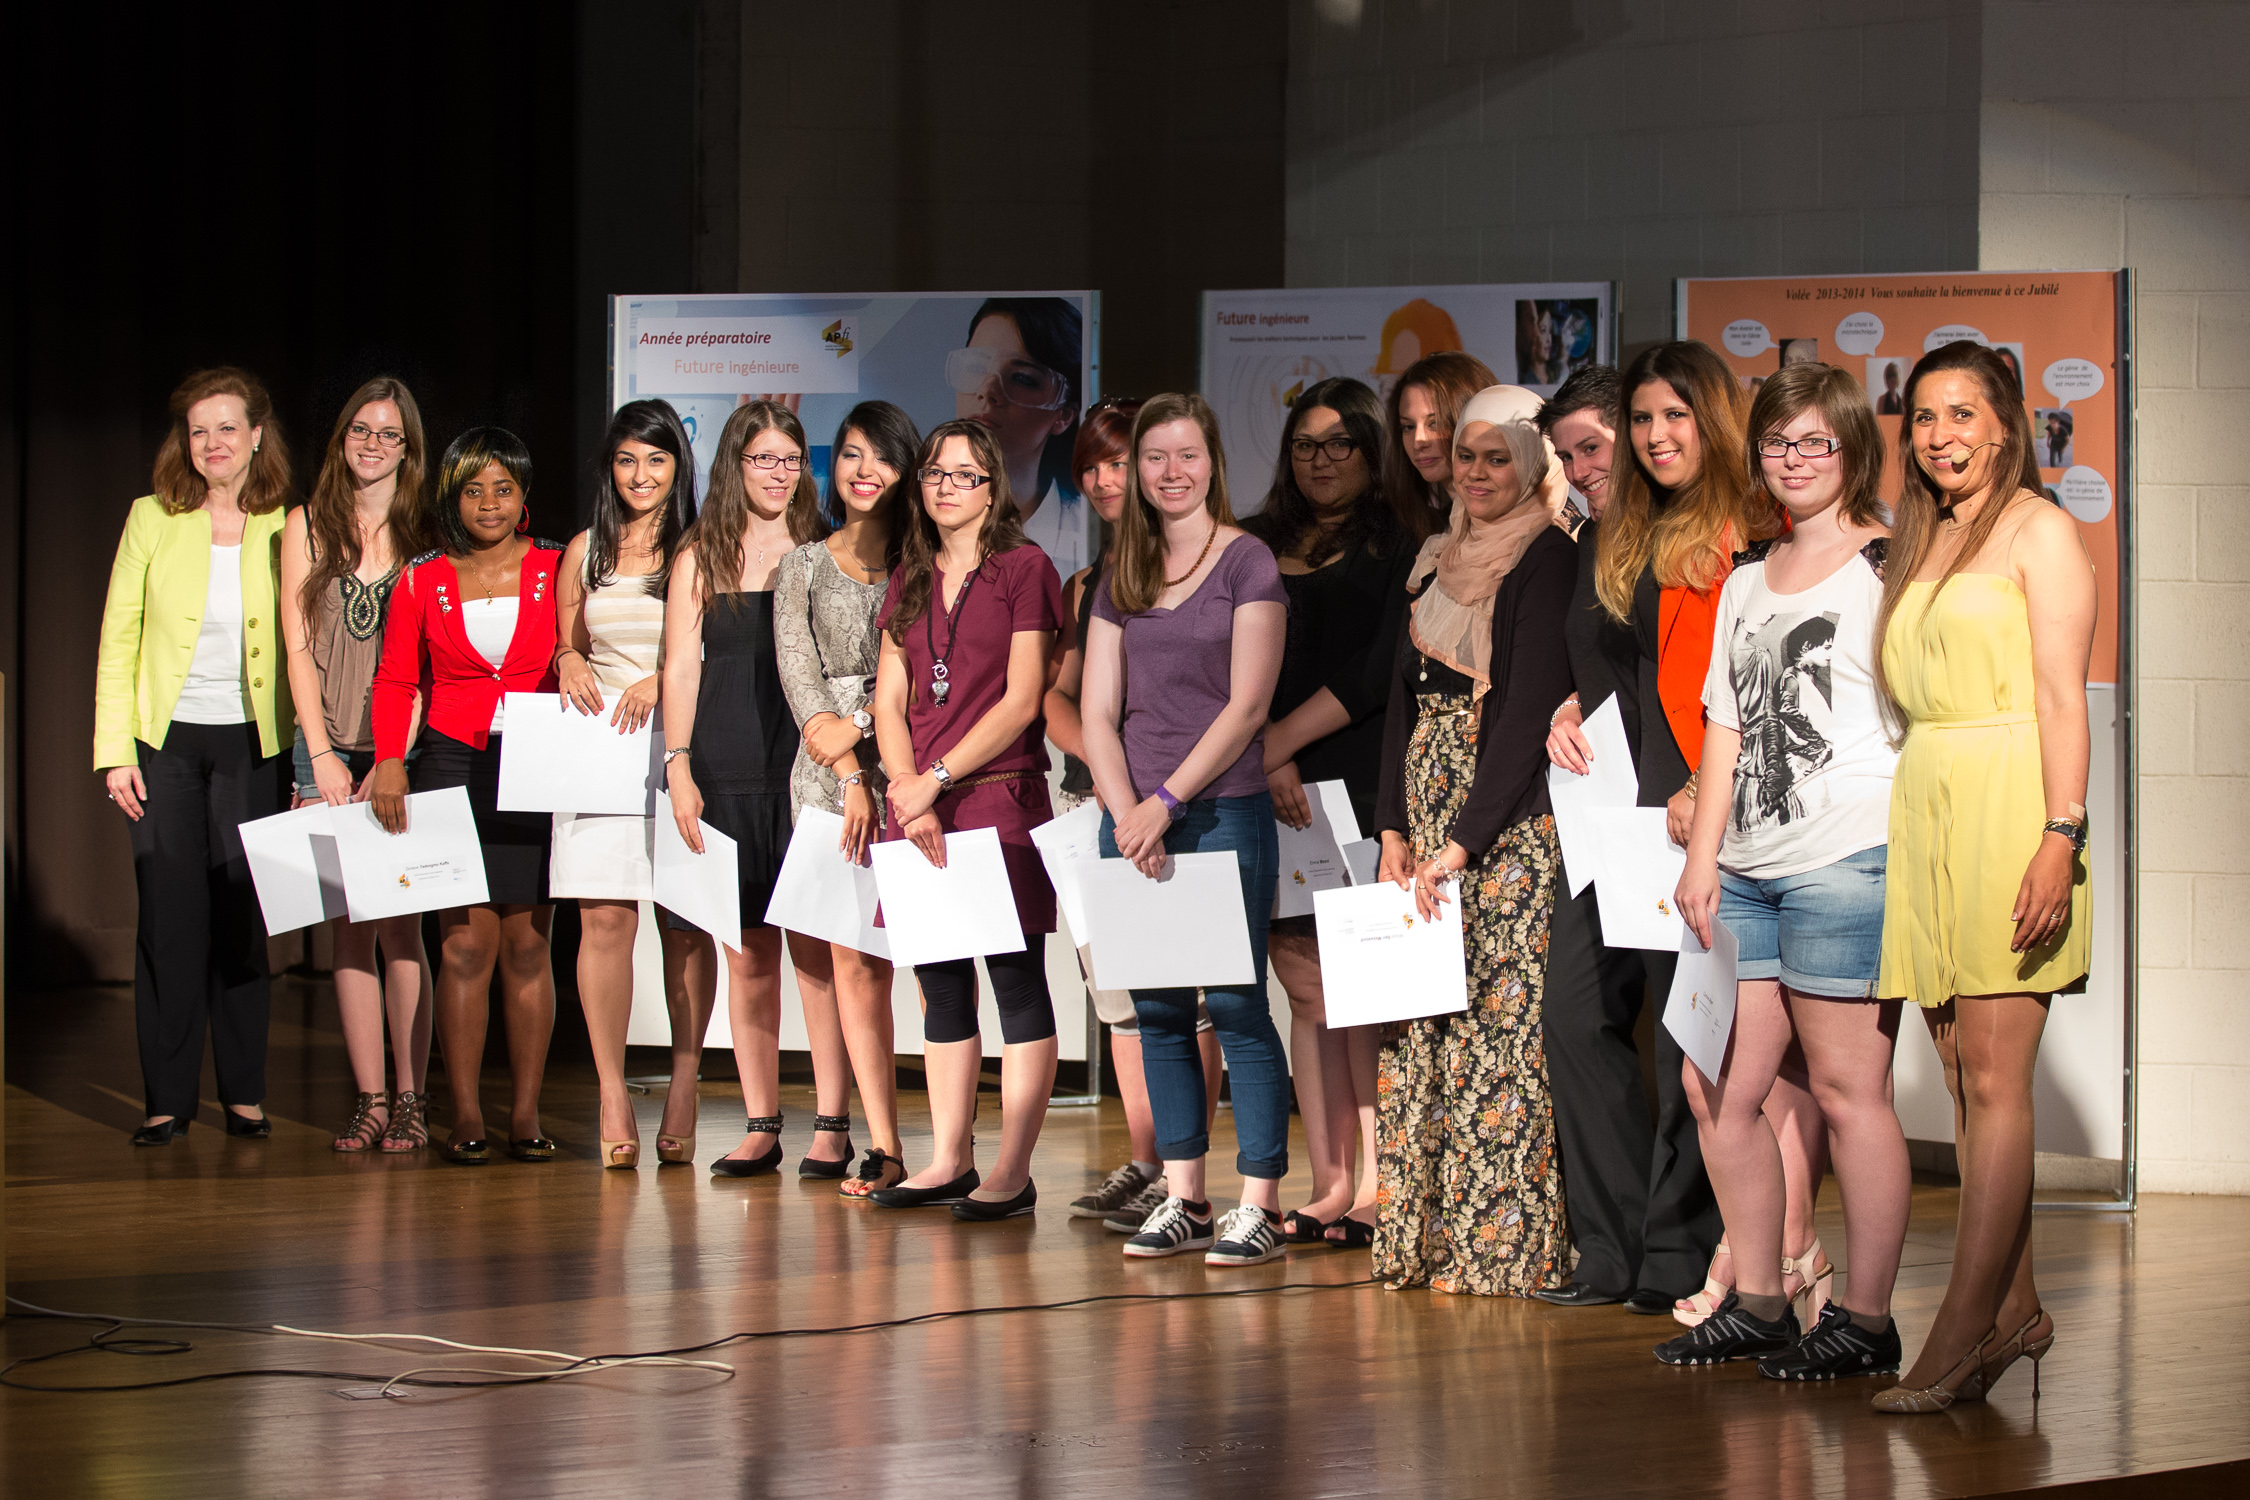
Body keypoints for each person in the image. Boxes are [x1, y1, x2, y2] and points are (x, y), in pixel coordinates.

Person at [1653, 362, 1911, 1379]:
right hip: (1747, 871)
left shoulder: (1889, 565)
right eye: (1777, 442)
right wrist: (1705, 857)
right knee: (1715, 1080)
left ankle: (1868, 1317)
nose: (1793, 460)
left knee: (1851, 1094)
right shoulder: (1750, 576)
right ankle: (1759, 1295)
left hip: (1845, 862)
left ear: (1849, 449)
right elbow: (1724, 721)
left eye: (1813, 442)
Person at [1868, 341, 2092, 1413]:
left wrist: (2061, 833)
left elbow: (2060, 696)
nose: (1941, 435)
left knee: (1998, 1082)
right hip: (1933, 802)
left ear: (2005, 421)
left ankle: (1956, 1338)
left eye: (1962, 414)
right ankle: (2017, 1312)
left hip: (2012, 801)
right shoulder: (1929, 532)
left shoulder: (2039, 529)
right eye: (1923, 417)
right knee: (1961, 1080)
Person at [1538, 341, 1779, 1313]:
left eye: (1674, 416)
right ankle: (1607, 1247)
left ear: (1711, 418)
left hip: (1694, 822)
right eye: (1642, 421)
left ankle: (1679, 1253)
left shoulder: (1748, 529)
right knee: (1572, 1015)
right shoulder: (1614, 530)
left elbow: (1741, 686)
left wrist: (1695, 793)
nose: (1655, 436)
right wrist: (1569, 702)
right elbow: (1614, 661)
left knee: (1694, 1039)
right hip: (1610, 820)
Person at [1370, 386, 1575, 1296]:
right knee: (1422, 1025)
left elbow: (1528, 709)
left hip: (1507, 820)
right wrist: (1392, 830)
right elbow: (1398, 710)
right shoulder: (1432, 556)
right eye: (1468, 456)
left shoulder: (1549, 558)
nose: (1480, 474)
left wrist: (1462, 841)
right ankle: (1430, 1239)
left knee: (1498, 1033)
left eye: (1500, 457)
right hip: (1425, 816)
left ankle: (1503, 1247)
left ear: (1533, 465)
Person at [1081, 393, 1293, 1268]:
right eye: (1155, 458)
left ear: (1213, 463)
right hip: (1130, 820)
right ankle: (1183, 1197)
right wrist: (1125, 809)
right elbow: (1096, 711)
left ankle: (1260, 1203)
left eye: (1187, 455)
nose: (1171, 473)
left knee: (1238, 1007)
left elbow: (1247, 707)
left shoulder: (1247, 562)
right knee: (1159, 1012)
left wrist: (1163, 803)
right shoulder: (1120, 574)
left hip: (1217, 810)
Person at [868, 418, 1066, 1221]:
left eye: (965, 475)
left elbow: (1024, 700)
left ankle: (1012, 1172)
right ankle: (949, 1157)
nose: (946, 487)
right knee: (941, 988)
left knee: (1015, 984)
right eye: (935, 475)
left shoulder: (1026, 568)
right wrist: (906, 784)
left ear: (994, 488)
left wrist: (937, 778)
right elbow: (888, 697)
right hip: (916, 803)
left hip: (998, 794)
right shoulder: (907, 574)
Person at [95, 366, 295, 1147]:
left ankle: (243, 1093)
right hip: (165, 741)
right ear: (187, 441)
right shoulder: (152, 516)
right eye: (198, 429)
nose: (212, 442)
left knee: (244, 916)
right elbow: (119, 634)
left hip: (255, 743)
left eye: (227, 427)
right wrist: (116, 751)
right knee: (170, 921)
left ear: (255, 434)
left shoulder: (290, 522)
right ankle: (167, 1099)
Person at [1044, 397, 1227, 1227]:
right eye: (1092, 465)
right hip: (1102, 806)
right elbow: (1061, 695)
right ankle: (1146, 1158)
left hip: (1183, 800)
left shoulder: (1216, 563)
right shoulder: (1092, 581)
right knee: (1119, 995)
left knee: (1191, 994)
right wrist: (1098, 759)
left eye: (1122, 461)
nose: (1106, 479)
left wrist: (1148, 785)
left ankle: (1183, 1174)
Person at [1245, 377, 1418, 1250]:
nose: (1320, 460)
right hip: (1267, 781)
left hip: (1355, 774)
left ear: (1369, 451)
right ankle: (1330, 1178)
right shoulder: (1255, 542)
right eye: (1305, 445)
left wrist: (1277, 745)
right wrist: (1265, 755)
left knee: (1364, 982)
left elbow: (1372, 672)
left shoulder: (1400, 541)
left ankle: (1380, 1179)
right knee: (1302, 979)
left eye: (1339, 444)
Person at [369, 428, 565, 1165]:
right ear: (453, 497)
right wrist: (391, 760)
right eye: (473, 489)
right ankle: (467, 1114)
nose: (488, 503)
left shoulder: (555, 563)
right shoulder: (423, 577)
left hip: (538, 759)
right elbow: (395, 679)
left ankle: (524, 1114)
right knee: (462, 946)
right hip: (451, 760)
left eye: (503, 489)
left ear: (524, 497)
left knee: (526, 943)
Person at [661, 401, 835, 1178]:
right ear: (734, 464)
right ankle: (762, 1122)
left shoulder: (825, 549)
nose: (777, 474)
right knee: (747, 957)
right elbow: (681, 667)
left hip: (806, 774)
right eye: (763, 459)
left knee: (817, 955)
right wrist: (677, 766)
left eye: (790, 460)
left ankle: (832, 1123)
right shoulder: (700, 554)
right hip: (724, 772)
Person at [551, 399, 716, 1169]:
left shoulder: (704, 546)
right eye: (626, 460)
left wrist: (662, 678)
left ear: (678, 466)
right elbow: (567, 642)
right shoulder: (584, 550)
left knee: (684, 925)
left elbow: (722, 649)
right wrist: (568, 658)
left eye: (655, 459)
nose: (641, 475)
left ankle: (684, 1083)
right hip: (599, 755)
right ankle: (614, 1093)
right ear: (609, 467)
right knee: (604, 923)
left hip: (683, 749)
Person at [278, 377, 435, 1152]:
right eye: (360, 432)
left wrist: (393, 759)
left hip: (397, 755)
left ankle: (411, 1099)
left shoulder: (424, 536)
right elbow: (297, 647)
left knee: (401, 927)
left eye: (388, 434)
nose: (373, 446)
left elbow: (429, 664)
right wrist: (321, 756)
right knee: (348, 930)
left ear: (409, 448)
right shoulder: (304, 526)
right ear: (342, 440)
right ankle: (370, 1099)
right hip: (326, 753)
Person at [774, 400, 920, 1196]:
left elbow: (921, 675)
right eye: (853, 454)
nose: (865, 471)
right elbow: (799, 677)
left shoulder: (922, 564)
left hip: (907, 768)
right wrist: (846, 768)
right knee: (849, 964)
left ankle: (942, 1145)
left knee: (918, 962)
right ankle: (883, 1143)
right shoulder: (800, 565)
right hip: (826, 780)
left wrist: (864, 732)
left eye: (883, 458)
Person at [950, 297, 1089, 579]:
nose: (988, 390)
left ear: (1063, 415)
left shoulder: (1090, 536)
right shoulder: (918, 525)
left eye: (1023, 378)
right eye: (977, 367)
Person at [1385, 351, 1497, 531]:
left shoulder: (1511, 523)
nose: (1418, 441)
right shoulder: (1429, 524)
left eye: (1435, 423)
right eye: (1408, 427)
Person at [1537, 365, 1623, 534]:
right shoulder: (1589, 537)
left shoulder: (1679, 526)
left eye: (1590, 448)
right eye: (1566, 458)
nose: (1577, 473)